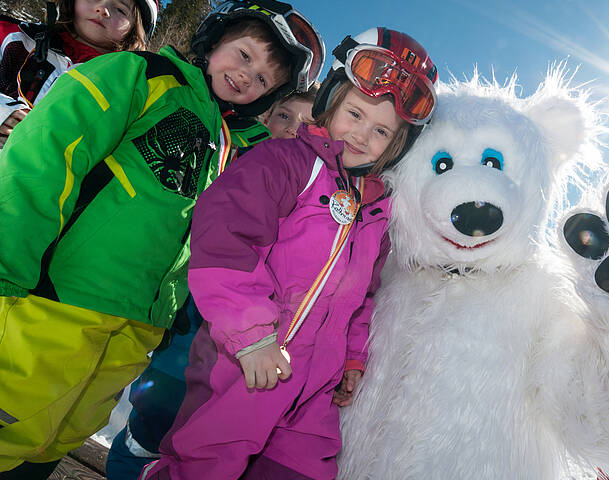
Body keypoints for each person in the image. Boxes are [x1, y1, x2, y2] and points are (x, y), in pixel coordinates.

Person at [0, 0, 324, 478]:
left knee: (58, 435)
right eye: (244, 54)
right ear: (215, 39)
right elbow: (44, 156)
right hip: (54, 299)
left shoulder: (235, 144)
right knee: (12, 421)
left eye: (262, 80)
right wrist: (8, 262)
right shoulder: (142, 75)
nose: (246, 76)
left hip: (137, 327)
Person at [139, 27, 438, 480]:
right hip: (245, 365)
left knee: (302, 471)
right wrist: (252, 335)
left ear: (397, 146)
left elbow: (363, 297)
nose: (362, 134)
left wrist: (353, 359)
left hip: (315, 386)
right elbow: (225, 236)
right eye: (355, 113)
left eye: (381, 131)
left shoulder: (375, 210)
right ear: (332, 101)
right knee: (206, 464)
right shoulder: (285, 162)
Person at [105, 82, 320, 480]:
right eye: (285, 116)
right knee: (153, 423)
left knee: (196, 437)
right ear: (265, 118)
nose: (293, 129)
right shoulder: (236, 161)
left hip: (238, 355)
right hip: (188, 335)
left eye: (307, 123)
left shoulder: (311, 195)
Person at [0, 0, 157, 148]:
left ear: (135, 29)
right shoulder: (16, 38)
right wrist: (4, 113)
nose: (103, 9)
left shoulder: (126, 91)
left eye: (120, 10)